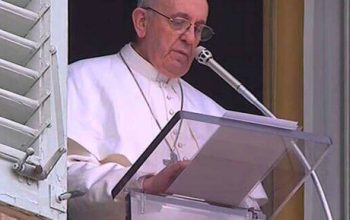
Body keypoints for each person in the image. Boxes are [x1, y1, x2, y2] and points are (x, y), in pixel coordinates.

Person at [66, 0, 265, 219]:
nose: (190, 39)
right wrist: (144, 185)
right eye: (179, 22)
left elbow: (250, 207)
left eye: (198, 29)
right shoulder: (83, 80)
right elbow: (63, 183)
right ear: (142, 22)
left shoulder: (213, 113)